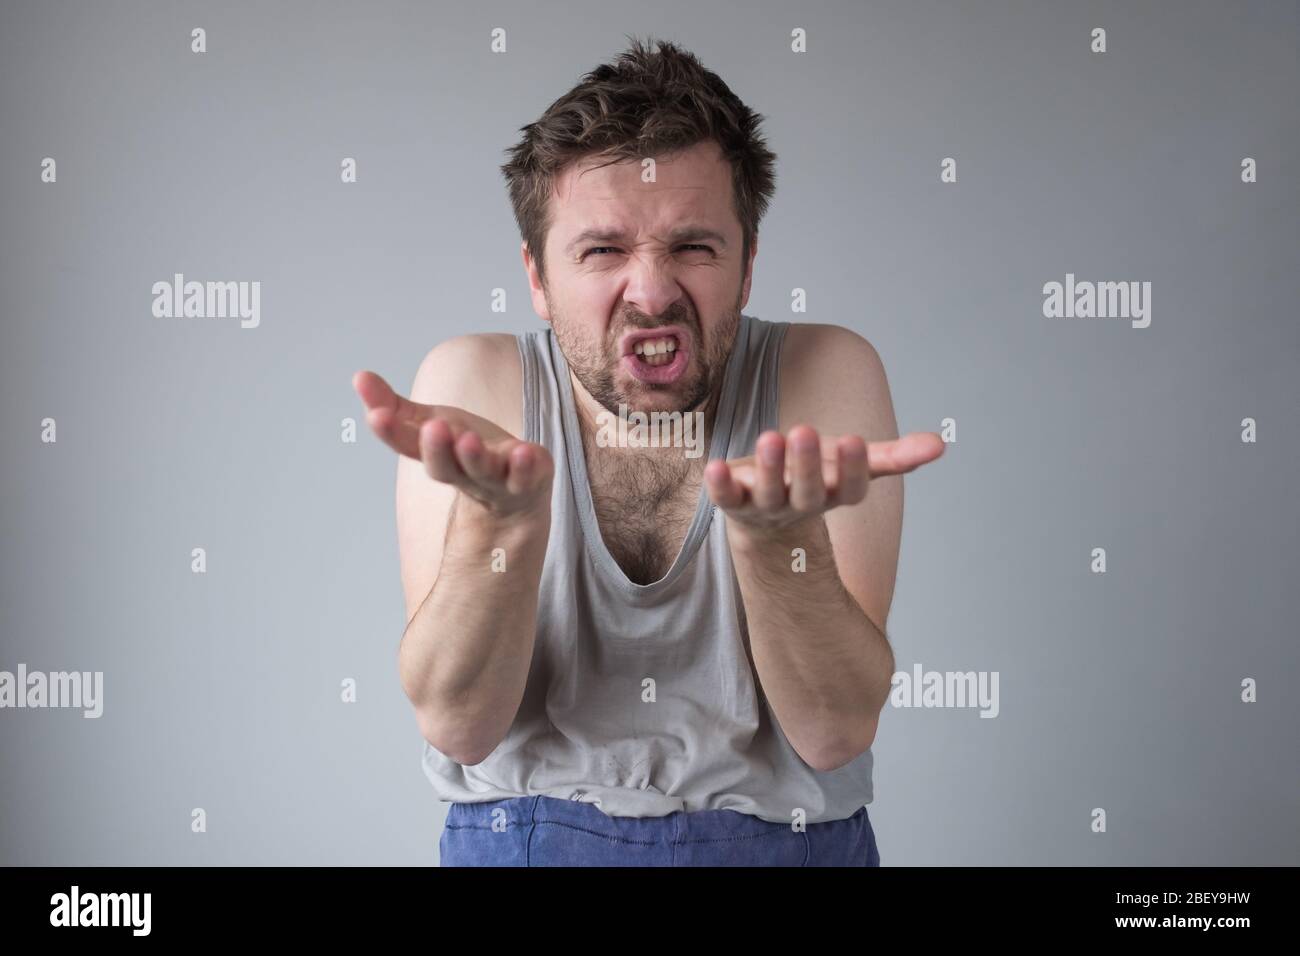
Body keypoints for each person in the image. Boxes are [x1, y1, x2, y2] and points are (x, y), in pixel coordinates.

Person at [353, 36, 944, 866]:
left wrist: (781, 544)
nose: (654, 290)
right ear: (536, 276)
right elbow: (460, 726)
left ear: (746, 269)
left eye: (694, 247)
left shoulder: (825, 373)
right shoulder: (473, 382)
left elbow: (835, 732)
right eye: (603, 251)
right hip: (524, 842)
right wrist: (501, 529)